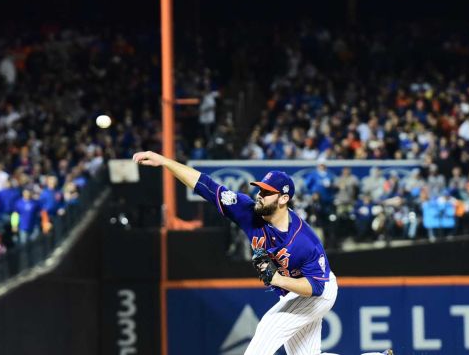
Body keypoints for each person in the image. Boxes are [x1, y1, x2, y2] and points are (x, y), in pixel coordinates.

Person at [132, 151, 393, 355]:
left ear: (283, 199)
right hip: (295, 289)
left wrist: (277, 280)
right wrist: (165, 161)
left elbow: (315, 287)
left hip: (317, 290)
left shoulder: (304, 240)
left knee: (268, 329)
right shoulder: (248, 210)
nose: (259, 195)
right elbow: (206, 186)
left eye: (267, 193)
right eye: (260, 189)